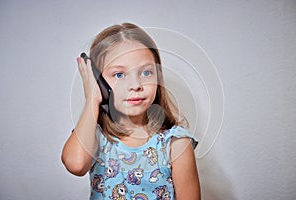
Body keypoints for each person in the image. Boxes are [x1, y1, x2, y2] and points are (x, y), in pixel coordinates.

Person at [61, 22, 201, 200]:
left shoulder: (175, 143)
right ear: (99, 82)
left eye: (146, 72)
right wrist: (92, 100)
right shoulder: (94, 136)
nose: (136, 85)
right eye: (119, 75)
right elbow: (76, 164)